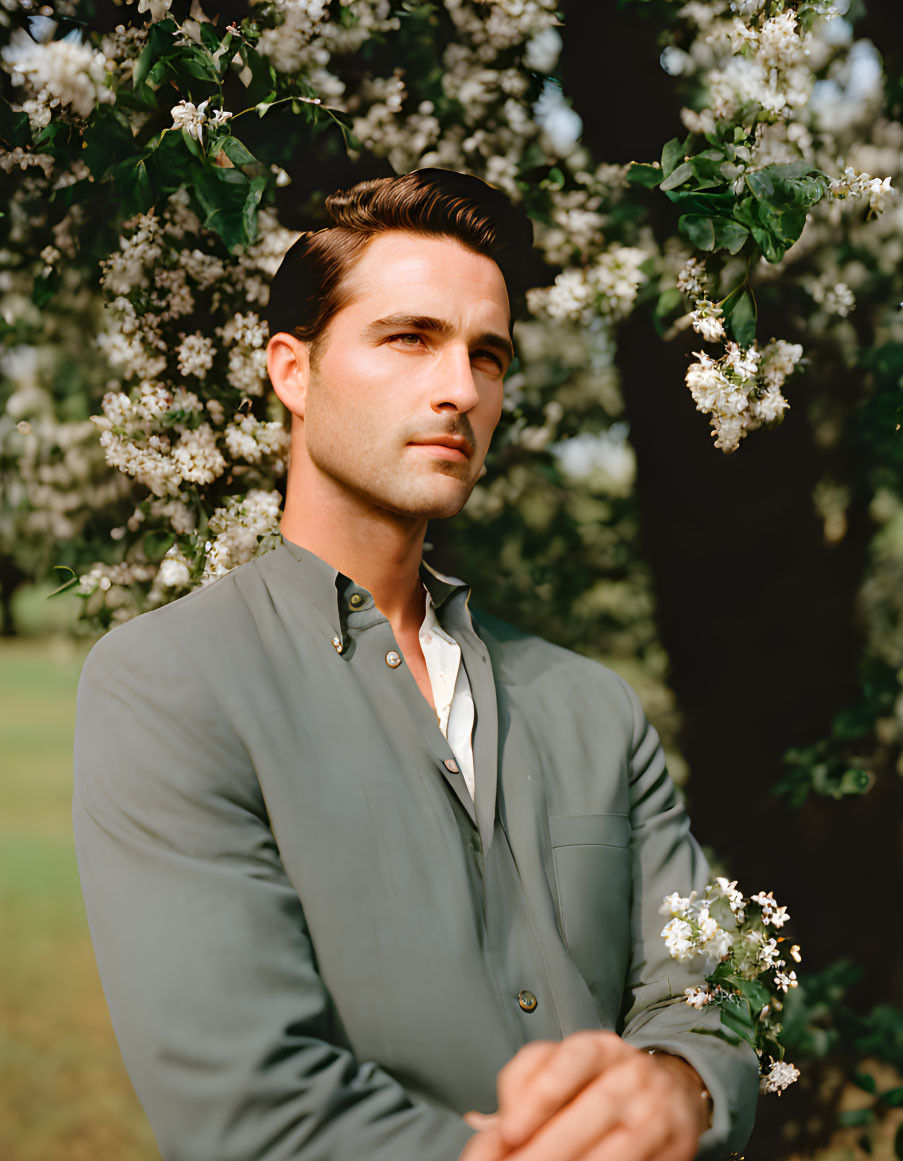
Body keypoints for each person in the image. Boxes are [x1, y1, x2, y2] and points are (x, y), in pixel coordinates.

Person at [73, 168, 758, 1161]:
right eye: (410, 338)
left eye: (489, 356)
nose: (459, 390)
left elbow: (712, 988)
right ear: (291, 371)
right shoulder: (167, 684)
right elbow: (251, 1105)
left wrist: (674, 1090)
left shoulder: (593, 706)